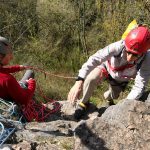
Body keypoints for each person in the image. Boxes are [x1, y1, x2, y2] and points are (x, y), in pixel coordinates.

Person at [67, 26, 150, 120]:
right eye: (128, 52)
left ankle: (108, 97)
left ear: (143, 52)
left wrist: (124, 106)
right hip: (106, 68)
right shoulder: (118, 46)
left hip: (120, 79)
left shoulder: (147, 59)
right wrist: (79, 81)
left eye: (135, 55)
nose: (130, 58)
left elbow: (139, 85)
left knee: (114, 95)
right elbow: (95, 59)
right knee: (91, 78)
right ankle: (84, 103)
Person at [0, 36, 36, 106]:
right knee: (30, 72)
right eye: (9, 54)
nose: (11, 57)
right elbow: (24, 100)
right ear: (0, 56)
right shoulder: (8, 80)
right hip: (13, 96)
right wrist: (32, 83)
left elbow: (3, 70)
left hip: (5, 93)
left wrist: (19, 67)